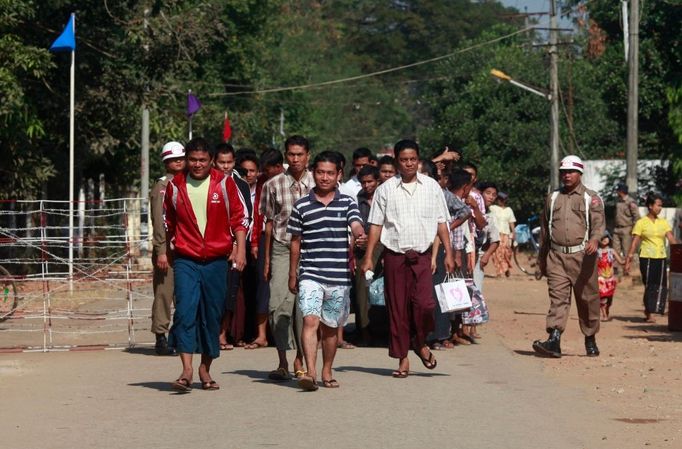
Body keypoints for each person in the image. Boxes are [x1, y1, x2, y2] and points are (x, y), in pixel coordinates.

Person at [361, 139, 455, 378]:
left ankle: (420, 341)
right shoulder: (385, 190)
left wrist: (449, 253)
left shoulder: (431, 187)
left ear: (419, 160)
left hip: (422, 257)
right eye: (404, 160)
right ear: (397, 162)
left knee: (425, 305)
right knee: (398, 310)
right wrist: (370, 256)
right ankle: (402, 358)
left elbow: (441, 222)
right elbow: (375, 225)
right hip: (395, 257)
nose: (409, 163)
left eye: (413, 159)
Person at [164, 137, 247, 391]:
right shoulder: (175, 186)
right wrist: (169, 250)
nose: (197, 164)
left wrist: (240, 249)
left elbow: (239, 219)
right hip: (186, 259)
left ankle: (205, 368)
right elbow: (169, 221)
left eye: (202, 160)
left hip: (216, 261)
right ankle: (187, 369)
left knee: (212, 315)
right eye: (192, 160)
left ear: (211, 160)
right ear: (185, 161)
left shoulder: (224, 184)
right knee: (185, 311)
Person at [287, 151, 365, 391]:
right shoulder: (301, 205)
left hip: (339, 277)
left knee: (330, 328)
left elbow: (355, 224)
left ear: (339, 175)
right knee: (310, 320)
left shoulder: (347, 202)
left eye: (330, 173)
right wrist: (293, 273)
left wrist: (359, 235)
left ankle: (327, 369)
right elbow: (295, 242)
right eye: (320, 172)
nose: (324, 177)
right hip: (310, 274)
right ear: (313, 173)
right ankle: (310, 372)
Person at [533, 155, 605, 358]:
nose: (566, 175)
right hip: (556, 257)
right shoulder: (552, 198)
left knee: (587, 299)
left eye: (570, 172)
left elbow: (599, 224)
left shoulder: (591, 198)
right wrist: (541, 260)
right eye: (563, 172)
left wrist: (595, 240)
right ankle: (554, 339)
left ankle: (590, 338)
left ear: (580, 173)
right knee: (558, 299)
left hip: (583, 257)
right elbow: (546, 232)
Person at [261, 135, 314, 381]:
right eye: (291, 154)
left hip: (311, 251)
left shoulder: (319, 181)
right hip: (282, 248)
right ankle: (282, 360)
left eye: (299, 155)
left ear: (307, 156)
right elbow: (269, 223)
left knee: (304, 309)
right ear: (285, 156)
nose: (295, 159)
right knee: (277, 305)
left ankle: (300, 361)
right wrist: (268, 260)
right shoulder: (273, 185)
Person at [214, 143, 252, 350]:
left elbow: (247, 217)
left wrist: (238, 246)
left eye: (229, 162)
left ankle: (222, 334)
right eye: (222, 162)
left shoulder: (241, 185)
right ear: (214, 162)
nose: (226, 167)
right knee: (213, 292)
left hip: (235, 245)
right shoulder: (207, 182)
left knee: (231, 291)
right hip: (211, 245)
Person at [246, 148, 285, 349]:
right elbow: (257, 214)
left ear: (279, 167)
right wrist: (254, 241)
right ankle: (261, 335)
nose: (265, 173)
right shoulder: (262, 182)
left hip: (288, 238)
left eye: (269, 170)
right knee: (263, 283)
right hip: (264, 237)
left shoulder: (290, 181)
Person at [150, 141, 186, 356]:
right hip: (168, 249)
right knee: (164, 294)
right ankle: (161, 337)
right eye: (173, 159)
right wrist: (161, 250)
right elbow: (159, 220)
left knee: (185, 295)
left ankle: (180, 335)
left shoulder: (189, 182)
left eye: (180, 157)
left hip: (187, 247)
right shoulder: (162, 187)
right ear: (166, 162)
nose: (178, 162)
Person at [625, 194, 678, 323]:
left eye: (661, 205)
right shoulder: (641, 223)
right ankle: (649, 312)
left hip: (660, 257)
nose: (660, 208)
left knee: (660, 284)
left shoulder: (663, 222)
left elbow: (671, 239)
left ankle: (657, 308)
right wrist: (629, 258)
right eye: (658, 205)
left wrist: (678, 250)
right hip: (646, 257)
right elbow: (635, 241)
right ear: (650, 206)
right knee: (649, 285)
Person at [353, 165, 381, 346]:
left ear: (377, 181)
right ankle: (364, 330)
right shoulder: (359, 199)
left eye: (370, 181)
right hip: (363, 247)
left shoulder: (385, 196)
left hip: (385, 244)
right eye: (363, 182)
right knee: (362, 288)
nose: (367, 185)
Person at [597, 232, 624, 321]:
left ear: (609, 239)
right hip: (600, 279)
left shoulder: (611, 251)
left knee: (609, 299)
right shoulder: (597, 253)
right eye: (602, 238)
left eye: (606, 237)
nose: (604, 240)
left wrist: (628, 260)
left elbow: (620, 261)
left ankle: (607, 309)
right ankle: (604, 314)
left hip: (610, 279)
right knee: (602, 297)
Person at [489, 191, 516, 277]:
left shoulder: (509, 210)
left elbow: (511, 222)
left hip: (506, 234)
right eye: (499, 199)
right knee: (497, 253)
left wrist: (514, 232)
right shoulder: (493, 208)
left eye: (503, 200)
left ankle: (506, 267)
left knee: (506, 252)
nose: (501, 201)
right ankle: (499, 271)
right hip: (496, 233)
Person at [613, 183, 639, 271]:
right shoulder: (618, 201)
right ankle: (617, 270)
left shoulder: (631, 202)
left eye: (618, 190)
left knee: (626, 251)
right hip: (617, 228)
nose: (617, 192)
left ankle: (628, 270)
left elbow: (637, 217)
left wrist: (633, 230)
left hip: (627, 228)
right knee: (615, 250)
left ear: (622, 191)